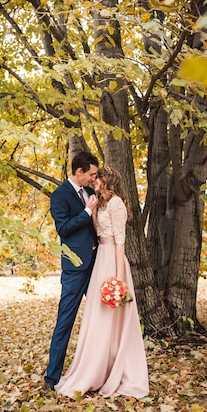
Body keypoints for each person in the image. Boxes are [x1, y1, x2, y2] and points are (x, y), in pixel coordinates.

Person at [55, 165, 149, 399]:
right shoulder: (102, 202)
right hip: (100, 262)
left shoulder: (116, 203)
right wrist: (92, 211)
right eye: (93, 177)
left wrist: (117, 279)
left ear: (107, 181)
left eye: (98, 178)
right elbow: (98, 231)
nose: (94, 181)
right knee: (97, 317)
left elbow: (120, 242)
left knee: (113, 318)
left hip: (113, 262)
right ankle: (96, 368)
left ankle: (115, 369)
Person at [44, 151, 99, 392]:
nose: (93, 179)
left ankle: (98, 371)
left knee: (102, 318)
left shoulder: (91, 192)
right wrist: (87, 212)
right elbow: (64, 229)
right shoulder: (60, 196)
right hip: (75, 267)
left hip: (98, 263)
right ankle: (51, 377)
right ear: (79, 171)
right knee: (65, 321)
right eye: (91, 174)